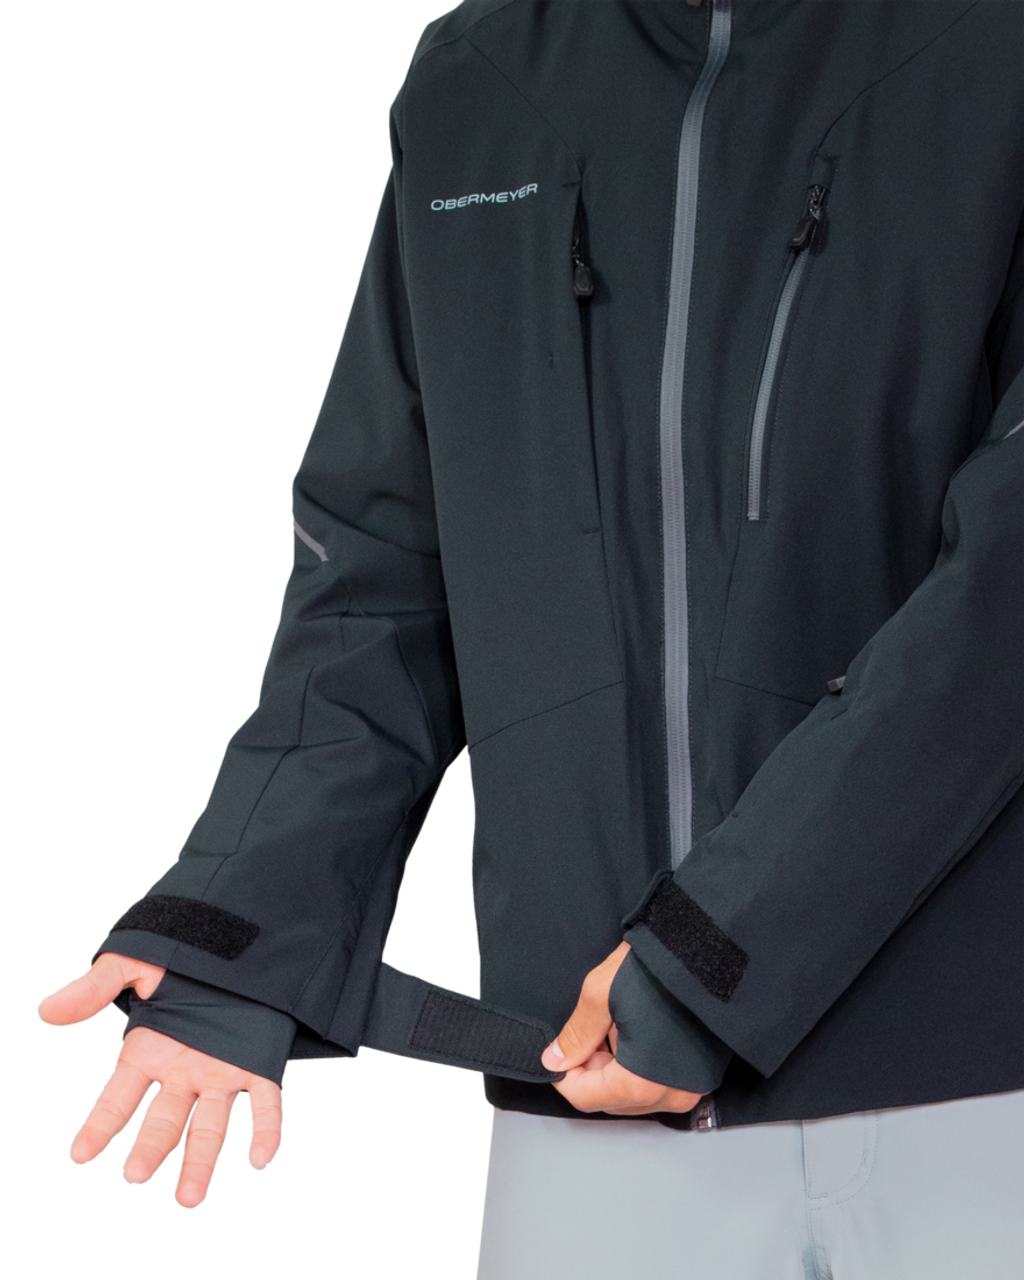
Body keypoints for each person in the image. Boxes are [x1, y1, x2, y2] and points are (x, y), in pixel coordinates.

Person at [39, 0, 1023, 1270]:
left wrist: (714, 962)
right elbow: (382, 577)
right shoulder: (479, 78)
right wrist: (239, 933)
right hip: (592, 1101)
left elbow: (999, 612)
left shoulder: (994, 53)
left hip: (971, 1096)